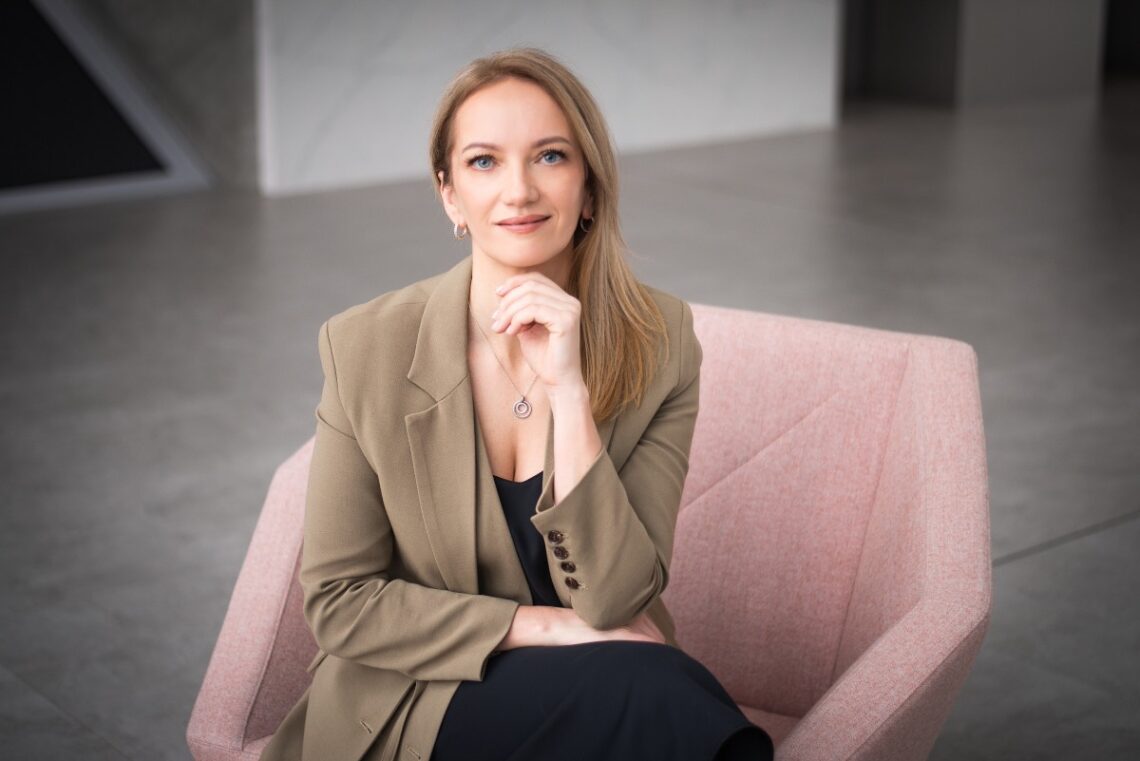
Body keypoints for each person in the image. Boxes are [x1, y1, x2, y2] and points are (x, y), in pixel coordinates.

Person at [259, 47, 773, 761]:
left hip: (609, 677)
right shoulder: (365, 346)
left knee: (651, 698)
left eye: (550, 156)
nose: (520, 190)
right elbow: (340, 601)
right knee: (661, 698)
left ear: (589, 188)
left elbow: (614, 600)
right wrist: (546, 627)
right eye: (484, 162)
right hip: (416, 696)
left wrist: (570, 392)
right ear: (449, 196)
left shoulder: (661, 341)